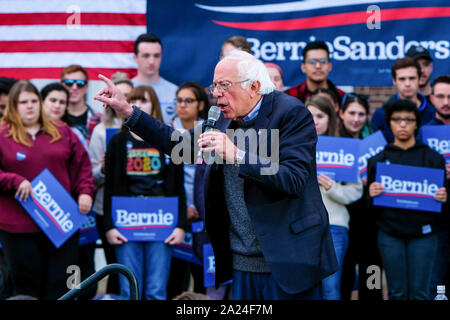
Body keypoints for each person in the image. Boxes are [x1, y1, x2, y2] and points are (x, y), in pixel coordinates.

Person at [95, 49, 339, 300]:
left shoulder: (291, 113)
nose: (216, 93)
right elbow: (177, 145)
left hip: (289, 260)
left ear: (253, 87)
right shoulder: (223, 119)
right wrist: (127, 110)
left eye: (224, 85)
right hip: (242, 262)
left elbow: (293, 178)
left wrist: (238, 155)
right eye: (214, 86)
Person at [0, 80, 94, 300]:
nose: (30, 106)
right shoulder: (2, 134)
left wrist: (85, 192)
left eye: (34, 101)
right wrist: (14, 180)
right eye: (24, 102)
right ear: (13, 106)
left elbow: (83, 166)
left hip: (60, 221)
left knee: (60, 285)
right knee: (25, 287)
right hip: (18, 227)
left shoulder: (62, 131)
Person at [102, 85, 187, 300]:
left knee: (156, 291)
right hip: (125, 222)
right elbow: (109, 187)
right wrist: (109, 227)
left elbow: (179, 187)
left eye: (144, 100)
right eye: (134, 100)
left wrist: (181, 225)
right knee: (130, 291)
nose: (139, 105)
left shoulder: (170, 140)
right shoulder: (117, 142)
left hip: (162, 221)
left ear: (154, 105)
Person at [367, 99, 448, 300]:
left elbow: (443, 203)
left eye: (408, 120)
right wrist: (371, 194)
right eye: (397, 120)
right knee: (397, 293)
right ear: (389, 123)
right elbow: (369, 207)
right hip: (390, 234)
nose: (403, 124)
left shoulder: (433, 158)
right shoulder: (377, 160)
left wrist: (444, 197)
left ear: (416, 124)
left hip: (424, 235)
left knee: (421, 293)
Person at [306, 95, 363, 300]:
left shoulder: (344, 148)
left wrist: (333, 188)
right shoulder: (295, 147)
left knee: (331, 289)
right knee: (307, 288)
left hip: (335, 226)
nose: (315, 120)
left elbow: (355, 192)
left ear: (330, 118)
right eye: (310, 115)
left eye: (320, 115)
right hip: (302, 227)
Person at [87, 72, 132, 295]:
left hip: (141, 210)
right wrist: (105, 168)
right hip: (107, 207)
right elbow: (92, 175)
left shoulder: (143, 127)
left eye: (126, 94)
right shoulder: (100, 130)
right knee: (115, 268)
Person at [337, 93, 384, 301]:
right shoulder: (333, 143)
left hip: (370, 220)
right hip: (344, 218)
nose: (356, 118)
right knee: (344, 274)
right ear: (341, 113)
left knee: (371, 270)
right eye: (352, 113)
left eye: (361, 114)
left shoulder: (375, 142)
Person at [167, 81, 207, 299]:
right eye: (179, 100)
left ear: (200, 104)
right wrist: (184, 208)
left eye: (188, 100)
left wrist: (198, 205)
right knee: (175, 279)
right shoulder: (166, 130)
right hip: (174, 215)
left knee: (203, 279)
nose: (182, 105)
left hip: (203, 214)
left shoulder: (211, 132)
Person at [371, 57, 436, 143]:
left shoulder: (434, 112)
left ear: (419, 79)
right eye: (402, 79)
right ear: (394, 81)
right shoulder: (380, 115)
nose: (407, 84)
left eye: (412, 78)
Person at [426, 75, 450, 298]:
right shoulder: (423, 133)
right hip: (435, 219)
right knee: (436, 279)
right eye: (441, 96)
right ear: (432, 98)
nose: (446, 101)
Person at [131, 33, 178, 125]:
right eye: (146, 56)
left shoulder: (175, 92)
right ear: (135, 58)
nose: (151, 61)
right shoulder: (125, 90)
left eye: (156, 56)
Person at [285, 41, 345, 105]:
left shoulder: (342, 97)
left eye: (323, 61)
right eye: (312, 61)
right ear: (303, 67)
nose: (318, 66)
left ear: (330, 66)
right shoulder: (289, 96)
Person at [60, 64, 102, 142]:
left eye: (80, 83)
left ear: (86, 87)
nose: (74, 87)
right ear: (62, 85)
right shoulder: (53, 118)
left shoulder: (100, 119)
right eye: (69, 83)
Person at [40, 82, 87, 149]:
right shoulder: (32, 129)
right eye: (53, 100)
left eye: (62, 102)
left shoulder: (74, 133)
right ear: (42, 102)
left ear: (66, 107)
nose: (57, 106)